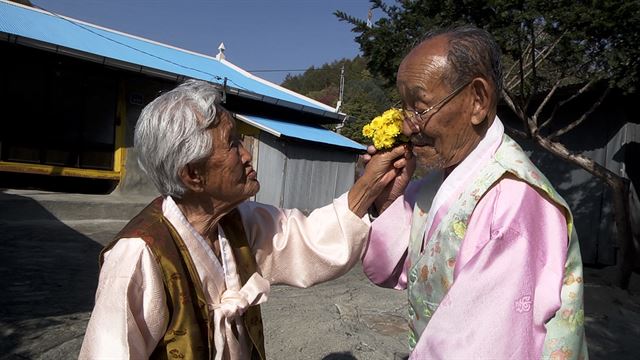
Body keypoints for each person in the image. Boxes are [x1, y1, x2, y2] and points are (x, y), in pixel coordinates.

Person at [79, 79, 410, 359]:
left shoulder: (239, 222)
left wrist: (372, 187)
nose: (248, 153)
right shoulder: (138, 255)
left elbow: (311, 240)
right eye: (233, 143)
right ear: (193, 174)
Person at [362, 26, 587, 359]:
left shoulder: (512, 204)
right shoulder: (440, 181)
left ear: (477, 100)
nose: (407, 125)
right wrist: (388, 197)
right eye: (404, 108)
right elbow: (388, 267)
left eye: (420, 108)